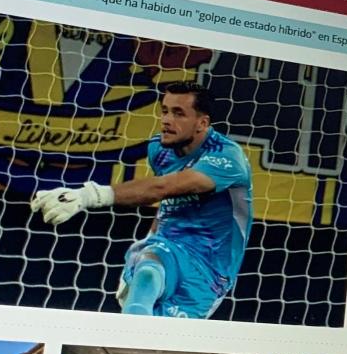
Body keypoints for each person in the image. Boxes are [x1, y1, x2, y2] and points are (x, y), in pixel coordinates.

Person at [33, 82, 254, 318]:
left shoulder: (227, 157)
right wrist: (148, 241)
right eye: (165, 110)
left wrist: (89, 195)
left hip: (207, 268)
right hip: (167, 245)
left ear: (202, 123)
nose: (167, 120)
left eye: (178, 114)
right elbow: (168, 201)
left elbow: (165, 186)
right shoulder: (159, 149)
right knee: (147, 274)